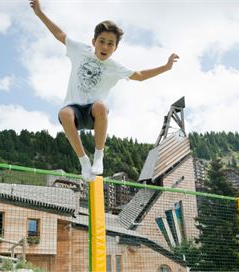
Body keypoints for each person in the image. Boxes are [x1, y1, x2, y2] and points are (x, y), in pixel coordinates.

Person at [30, 0, 179, 181]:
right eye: (102, 41)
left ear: (115, 48)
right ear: (94, 42)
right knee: (64, 113)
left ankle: (98, 155)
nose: (105, 47)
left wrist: (166, 67)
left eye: (110, 44)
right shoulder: (81, 50)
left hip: (94, 113)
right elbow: (59, 34)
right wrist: (40, 13)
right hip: (75, 110)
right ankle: (84, 160)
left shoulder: (115, 67)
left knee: (100, 105)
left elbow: (139, 75)